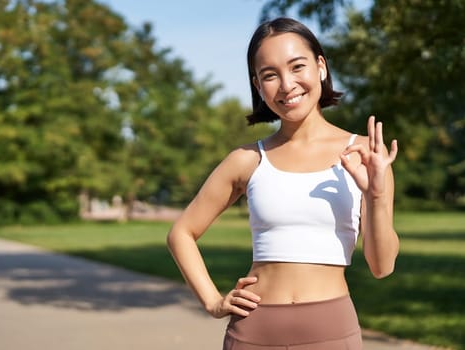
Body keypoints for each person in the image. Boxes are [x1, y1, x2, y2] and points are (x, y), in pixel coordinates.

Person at [166, 17, 400, 349]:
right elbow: (181, 233)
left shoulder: (366, 154)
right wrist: (213, 301)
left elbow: (382, 266)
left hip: (331, 331)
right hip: (254, 331)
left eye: (297, 67)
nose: (287, 85)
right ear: (258, 86)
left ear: (321, 66)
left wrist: (374, 194)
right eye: (270, 75)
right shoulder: (247, 160)